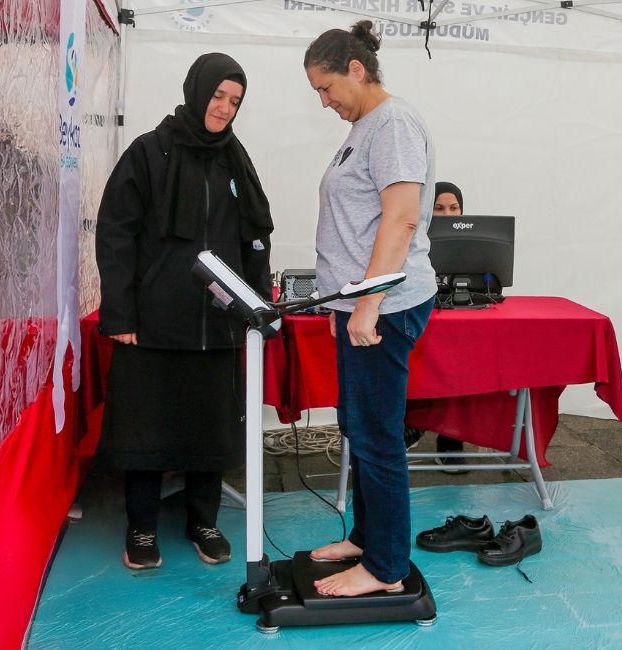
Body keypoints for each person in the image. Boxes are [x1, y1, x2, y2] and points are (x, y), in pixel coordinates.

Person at [95, 53, 273, 571]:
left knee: (209, 430)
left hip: (218, 324)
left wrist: (256, 309)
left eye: (234, 101)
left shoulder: (234, 159)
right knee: (144, 430)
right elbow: (116, 235)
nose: (224, 108)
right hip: (152, 324)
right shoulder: (149, 153)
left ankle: (204, 522)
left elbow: (254, 238)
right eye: (218, 96)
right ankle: (142, 528)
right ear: (196, 91)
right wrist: (121, 314)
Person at [303, 21, 438, 597]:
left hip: (381, 306)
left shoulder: (394, 124)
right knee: (359, 426)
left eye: (327, 87)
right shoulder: (364, 127)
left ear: (356, 70)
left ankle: (385, 568)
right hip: (358, 303)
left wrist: (368, 304)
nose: (324, 101)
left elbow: (402, 217)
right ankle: (366, 535)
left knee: (378, 433)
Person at [404, 181, 468, 471]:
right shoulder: (411, 240)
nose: (447, 214)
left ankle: (451, 436)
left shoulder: (469, 239)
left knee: (463, 358)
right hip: (419, 311)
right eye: (439, 208)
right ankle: (412, 424)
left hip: (459, 316)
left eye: (454, 208)